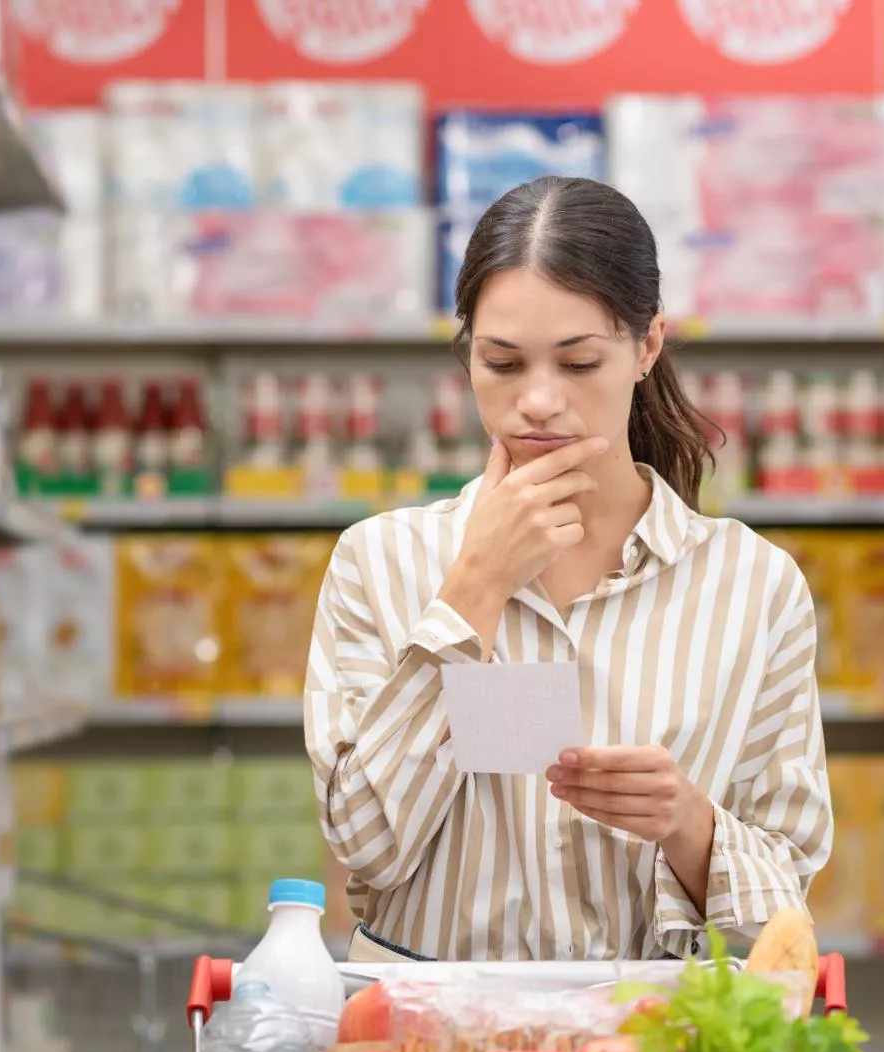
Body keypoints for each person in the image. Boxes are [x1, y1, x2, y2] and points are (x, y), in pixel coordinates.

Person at [304, 176, 831, 964]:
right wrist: (471, 590)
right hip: (430, 1048)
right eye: (503, 363)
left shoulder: (753, 589)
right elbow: (369, 848)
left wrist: (689, 823)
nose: (539, 401)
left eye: (579, 361)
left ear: (647, 345)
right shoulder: (381, 564)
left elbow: (781, 925)